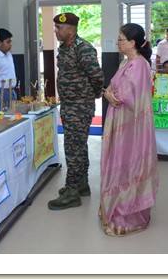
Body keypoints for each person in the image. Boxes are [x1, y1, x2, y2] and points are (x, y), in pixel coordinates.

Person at [100, 23, 159, 236]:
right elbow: (113, 88)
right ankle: (115, 207)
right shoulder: (128, 62)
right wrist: (108, 92)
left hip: (131, 128)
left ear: (132, 43)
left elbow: (122, 96)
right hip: (123, 123)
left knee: (129, 165)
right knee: (120, 165)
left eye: (120, 39)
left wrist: (108, 94)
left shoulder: (139, 66)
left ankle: (129, 216)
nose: (117, 43)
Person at [47, 12, 104, 210]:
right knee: (79, 145)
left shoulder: (84, 48)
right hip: (71, 104)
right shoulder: (64, 48)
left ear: (71, 30)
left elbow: (96, 75)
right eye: (55, 27)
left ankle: (71, 191)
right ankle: (81, 184)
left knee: (72, 148)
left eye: (59, 28)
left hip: (79, 105)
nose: (56, 31)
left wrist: (93, 94)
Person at [0, 28, 17, 108]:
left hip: (12, 90)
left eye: (10, 42)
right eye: (8, 42)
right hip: (2, 91)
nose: (10, 45)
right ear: (0, 43)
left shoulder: (9, 54)